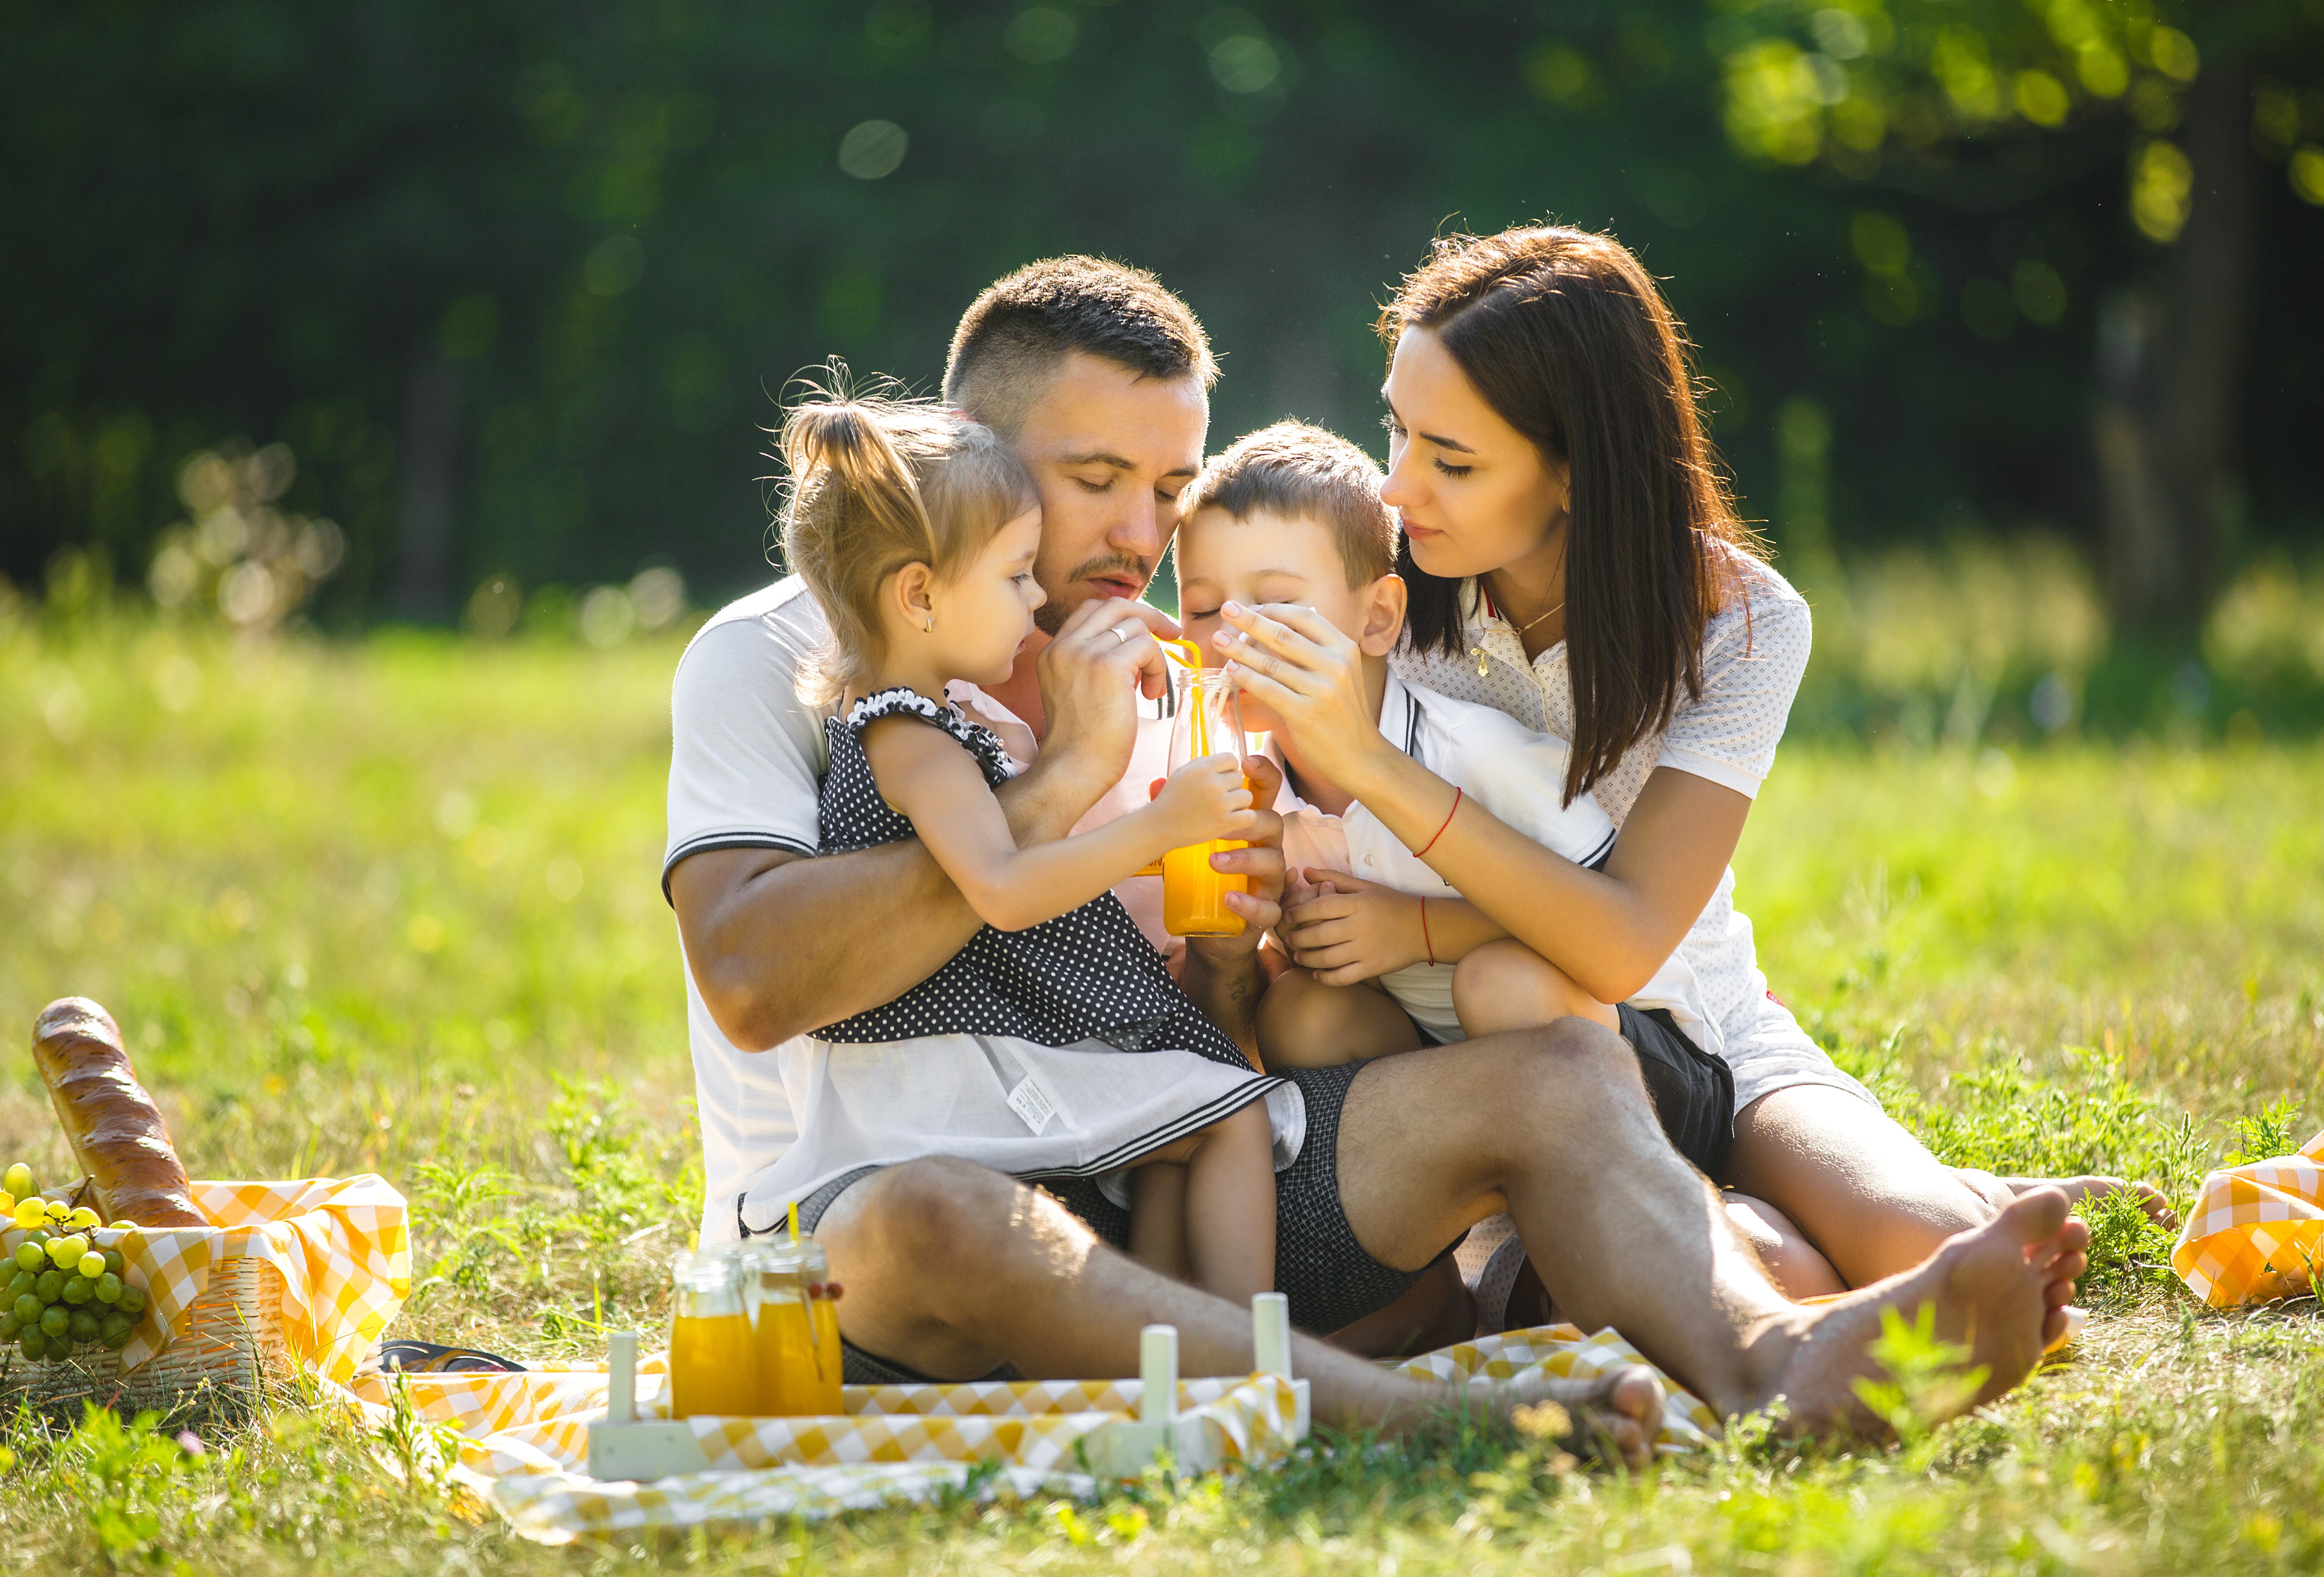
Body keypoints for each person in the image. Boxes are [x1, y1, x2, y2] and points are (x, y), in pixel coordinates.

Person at [665, 254, 2090, 1459]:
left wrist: (1237, 950)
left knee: (1557, 1068)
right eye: (1093, 482)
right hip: (886, 1230)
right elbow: (749, 976)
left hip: (1176, 1168)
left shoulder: (1178, 668)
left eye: (1166, 489)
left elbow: (1220, 1011)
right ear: (963, 456)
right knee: (939, 1216)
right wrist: (1065, 793)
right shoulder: (787, 654)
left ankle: (1776, 1368)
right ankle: (1426, 1420)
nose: (1136, 541)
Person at [1210, 225, 2160, 1310]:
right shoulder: (1389, 591)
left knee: (1934, 1253)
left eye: (1452, 460)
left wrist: (1373, 769)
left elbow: (1624, 943)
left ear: (1575, 469)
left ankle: (1838, 1213)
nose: (1396, 487)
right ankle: (1741, 1247)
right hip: (1471, 1049)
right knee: (1771, 1254)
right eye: (1398, 430)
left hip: (1698, 1033)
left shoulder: (1741, 624)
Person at [770, 386, 1281, 1307]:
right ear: (920, 596)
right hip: (953, 1069)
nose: (1038, 595)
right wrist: (1161, 831)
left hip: (971, 1056)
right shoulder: (912, 735)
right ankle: (1248, 1353)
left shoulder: (925, 722)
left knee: (1176, 1136)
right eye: (1014, 578)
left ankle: (1161, 1348)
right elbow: (1001, 889)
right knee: (1232, 1112)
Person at [1171, 420, 1733, 1179]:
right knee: (1301, 1014)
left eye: (1274, 604)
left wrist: (1418, 929)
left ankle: (1619, 1211)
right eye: (1203, 610)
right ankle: (1445, 1243)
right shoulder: (1253, 796)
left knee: (1498, 984)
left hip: (1648, 1071)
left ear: (1377, 620)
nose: (1231, 637)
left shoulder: (1479, 756)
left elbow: (1605, 921)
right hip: (1457, 1077)